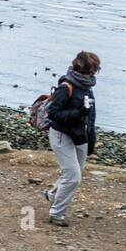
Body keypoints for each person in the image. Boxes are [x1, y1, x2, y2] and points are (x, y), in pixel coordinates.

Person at [44, 51, 100, 227]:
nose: (94, 73)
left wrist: (91, 139)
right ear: (84, 68)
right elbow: (52, 113)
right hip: (61, 134)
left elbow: (91, 117)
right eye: (93, 69)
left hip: (80, 135)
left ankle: (53, 195)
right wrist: (77, 113)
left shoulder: (87, 88)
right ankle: (56, 213)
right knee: (74, 176)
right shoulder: (66, 87)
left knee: (75, 171)